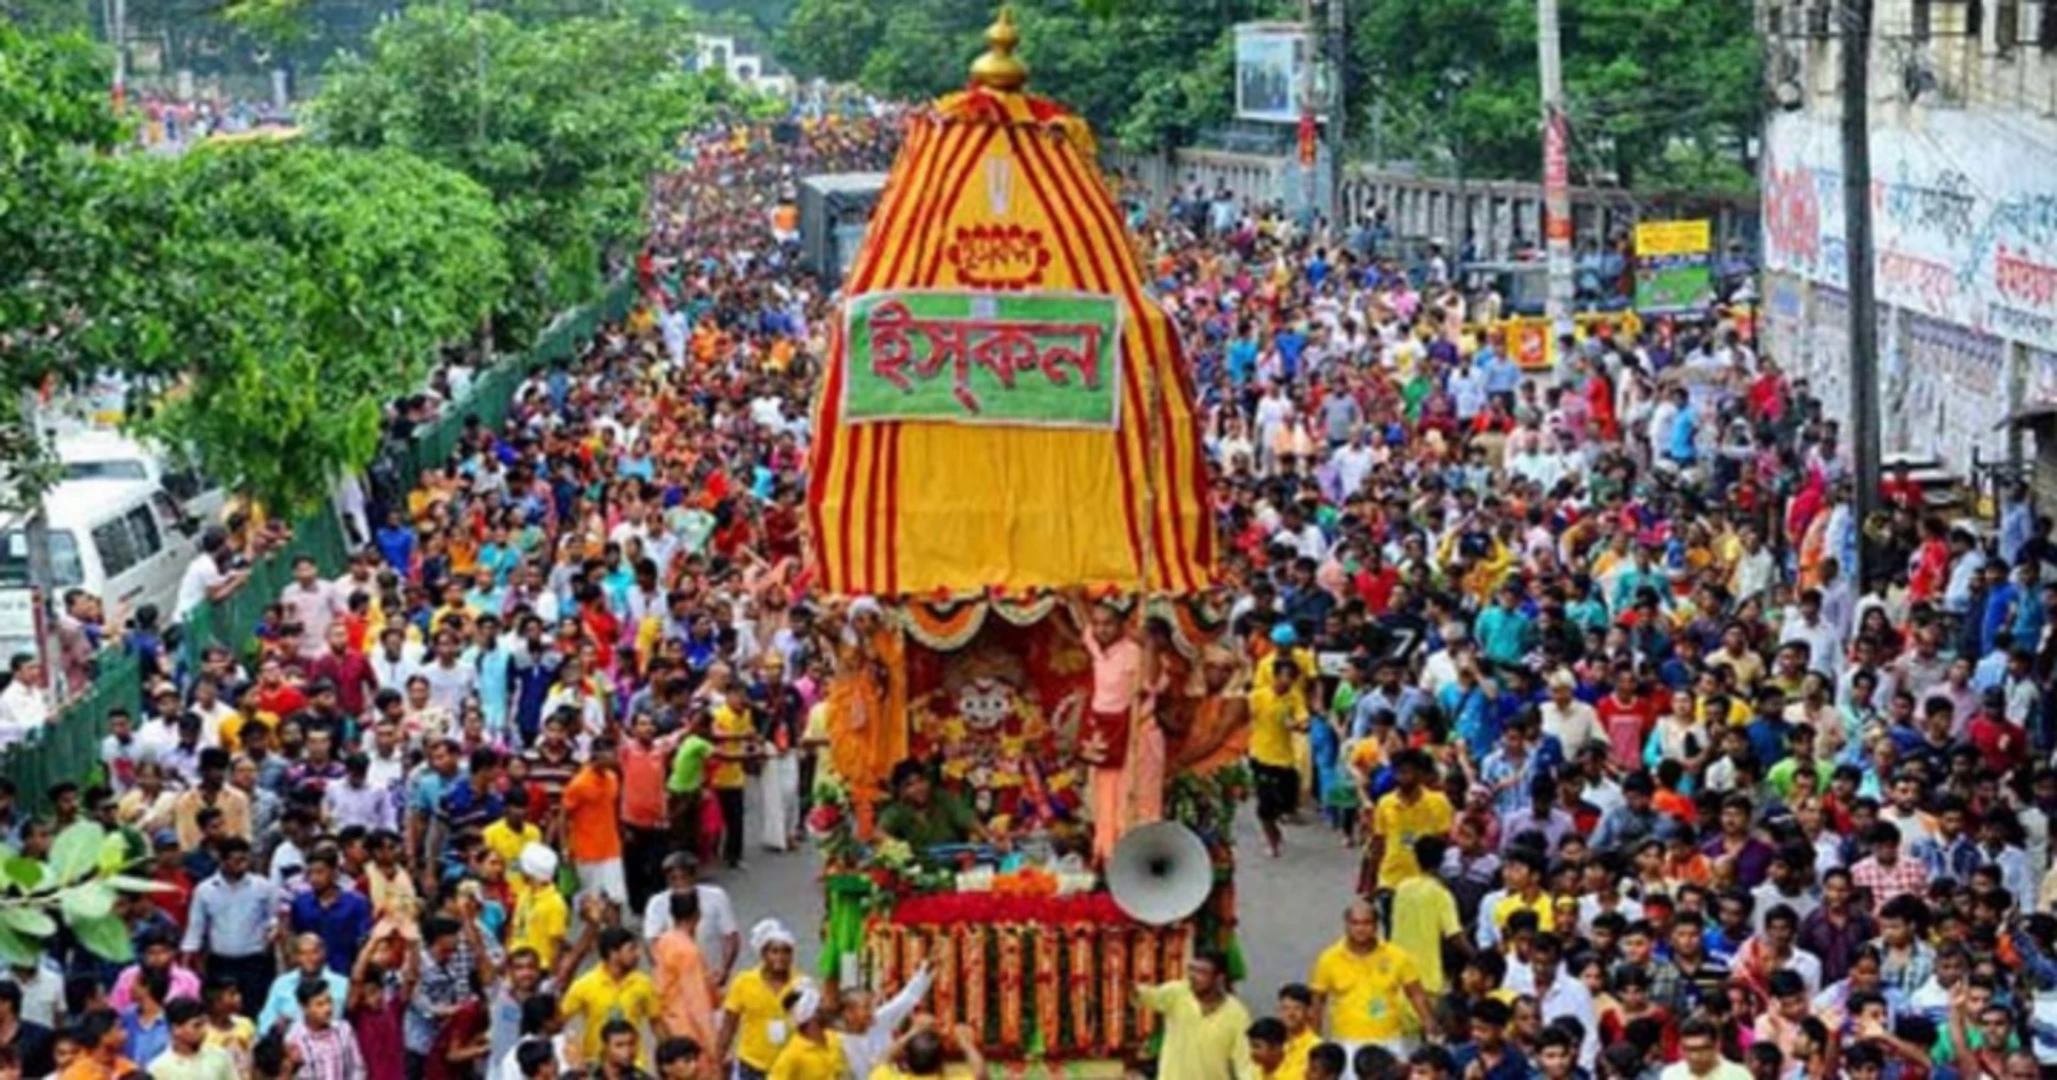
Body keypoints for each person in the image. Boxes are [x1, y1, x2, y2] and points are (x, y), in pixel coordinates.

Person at [1134, 949, 1256, 1080]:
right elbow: (1147, 996)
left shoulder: (1237, 1013)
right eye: (1191, 969)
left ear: (1219, 978)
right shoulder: (1177, 993)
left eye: (1201, 972)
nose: (1193, 976)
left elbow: (1244, 1062)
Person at [716, 920, 807, 1080]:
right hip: (752, 1065)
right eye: (775, 951)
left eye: (786, 952)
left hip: (790, 1067)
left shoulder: (801, 984)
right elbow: (729, 1025)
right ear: (763, 954)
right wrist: (717, 1059)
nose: (781, 957)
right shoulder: (744, 982)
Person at [558, 928, 657, 1067]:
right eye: (631, 949)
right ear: (613, 953)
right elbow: (559, 1019)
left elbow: (657, 1022)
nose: (638, 954)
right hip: (596, 1065)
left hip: (634, 1064)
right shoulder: (584, 985)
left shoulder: (643, 984)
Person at [875, 761, 982, 850]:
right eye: (910, 785)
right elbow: (879, 833)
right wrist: (900, 850)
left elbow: (969, 819)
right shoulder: (898, 810)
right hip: (915, 868)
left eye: (921, 781)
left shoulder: (943, 799)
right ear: (901, 791)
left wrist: (991, 839)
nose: (919, 788)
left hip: (953, 863)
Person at [145, 997, 236, 1080]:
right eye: (197, 1025)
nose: (204, 1030)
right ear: (176, 1029)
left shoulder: (220, 1057)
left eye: (205, 1023)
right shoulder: (158, 1069)